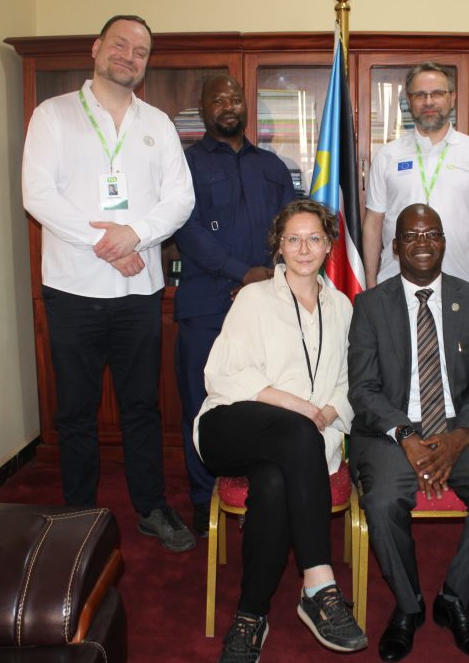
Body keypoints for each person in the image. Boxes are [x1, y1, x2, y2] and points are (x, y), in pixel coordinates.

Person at [21, 15, 196, 552]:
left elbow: (180, 198)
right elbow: (38, 195)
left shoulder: (157, 123)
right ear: (97, 48)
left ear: (146, 64)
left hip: (139, 294)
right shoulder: (53, 115)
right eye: (120, 44)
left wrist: (135, 236)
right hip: (72, 290)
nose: (129, 55)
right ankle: (77, 515)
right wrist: (109, 244)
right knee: (75, 412)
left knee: (142, 407)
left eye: (140, 51)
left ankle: (151, 507)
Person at [196, 199, 367, 663]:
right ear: (279, 246)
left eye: (314, 238)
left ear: (329, 245)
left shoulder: (343, 307)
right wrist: (301, 409)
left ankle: (251, 616)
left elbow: (350, 383)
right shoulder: (254, 298)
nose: (304, 248)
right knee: (297, 433)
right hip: (230, 425)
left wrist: (325, 414)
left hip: (299, 446)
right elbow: (223, 374)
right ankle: (318, 583)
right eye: (293, 239)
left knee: (272, 484)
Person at [348, 204, 469, 661]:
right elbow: (363, 389)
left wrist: (460, 438)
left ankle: (454, 598)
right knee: (383, 501)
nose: (422, 243)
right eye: (411, 236)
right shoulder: (370, 305)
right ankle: (409, 606)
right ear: (395, 246)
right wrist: (405, 434)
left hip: (459, 426)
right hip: (390, 430)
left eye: (432, 234)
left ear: (444, 242)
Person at [175, 74, 296, 537]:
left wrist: (264, 279)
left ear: (246, 106)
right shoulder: (185, 164)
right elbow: (185, 228)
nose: (228, 105)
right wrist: (239, 273)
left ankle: (259, 495)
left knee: (263, 401)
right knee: (201, 403)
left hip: (267, 305)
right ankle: (203, 498)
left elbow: (292, 227)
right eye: (218, 99)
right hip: (207, 305)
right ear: (202, 109)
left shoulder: (272, 166)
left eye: (235, 98)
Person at [363, 63, 469, 292]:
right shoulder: (388, 155)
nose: (428, 102)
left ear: (452, 98)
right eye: (420, 95)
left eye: (437, 93)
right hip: (393, 283)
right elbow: (373, 223)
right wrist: (371, 284)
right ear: (409, 101)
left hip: (457, 283)